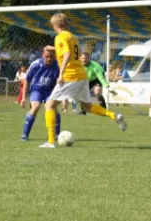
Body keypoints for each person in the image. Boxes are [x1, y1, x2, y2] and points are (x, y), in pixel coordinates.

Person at [40, 13, 126, 148]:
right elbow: (71, 52)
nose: (54, 28)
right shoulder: (72, 36)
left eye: (53, 26)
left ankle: (51, 142)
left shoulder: (60, 37)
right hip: (81, 75)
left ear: (58, 25)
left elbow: (67, 54)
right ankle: (113, 115)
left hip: (70, 75)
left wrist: (61, 74)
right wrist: (52, 48)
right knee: (88, 106)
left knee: (49, 106)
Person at [20, 48, 60, 141]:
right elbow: (27, 81)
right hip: (37, 90)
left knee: (52, 109)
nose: (49, 59)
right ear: (42, 55)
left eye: (51, 57)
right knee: (35, 107)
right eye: (47, 57)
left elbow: (61, 81)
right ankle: (25, 135)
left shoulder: (58, 65)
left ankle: (57, 135)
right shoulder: (36, 64)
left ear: (54, 56)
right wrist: (23, 98)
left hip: (50, 92)